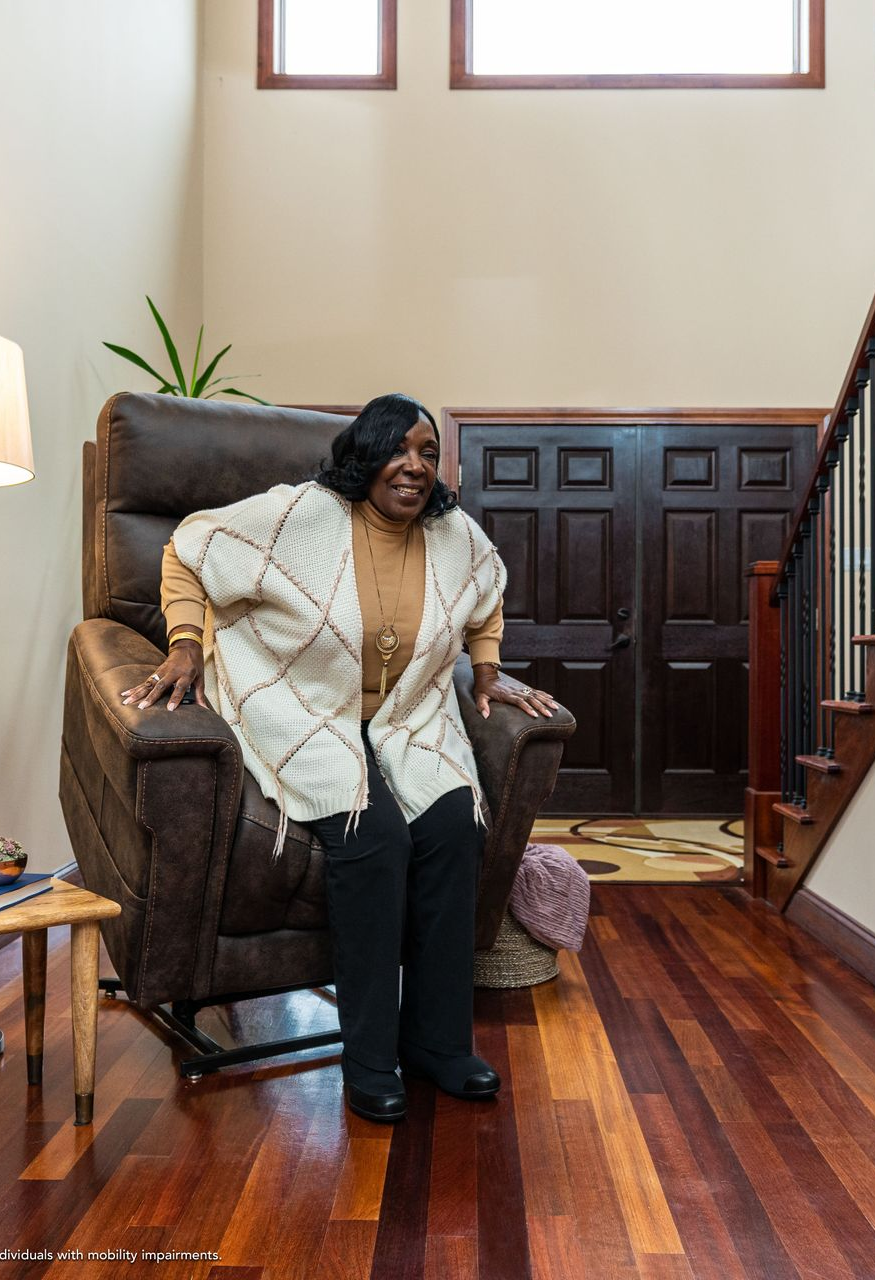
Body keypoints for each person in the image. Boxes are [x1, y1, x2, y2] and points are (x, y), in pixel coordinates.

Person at [122, 393, 562, 1124]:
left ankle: (438, 1043)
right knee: (373, 836)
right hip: (299, 703)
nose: (415, 466)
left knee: (456, 825)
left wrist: (485, 668)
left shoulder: (455, 534)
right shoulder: (302, 514)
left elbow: (488, 597)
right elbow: (189, 549)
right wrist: (187, 644)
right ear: (367, 455)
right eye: (399, 449)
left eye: (427, 452)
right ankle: (370, 1057)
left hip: (405, 713)